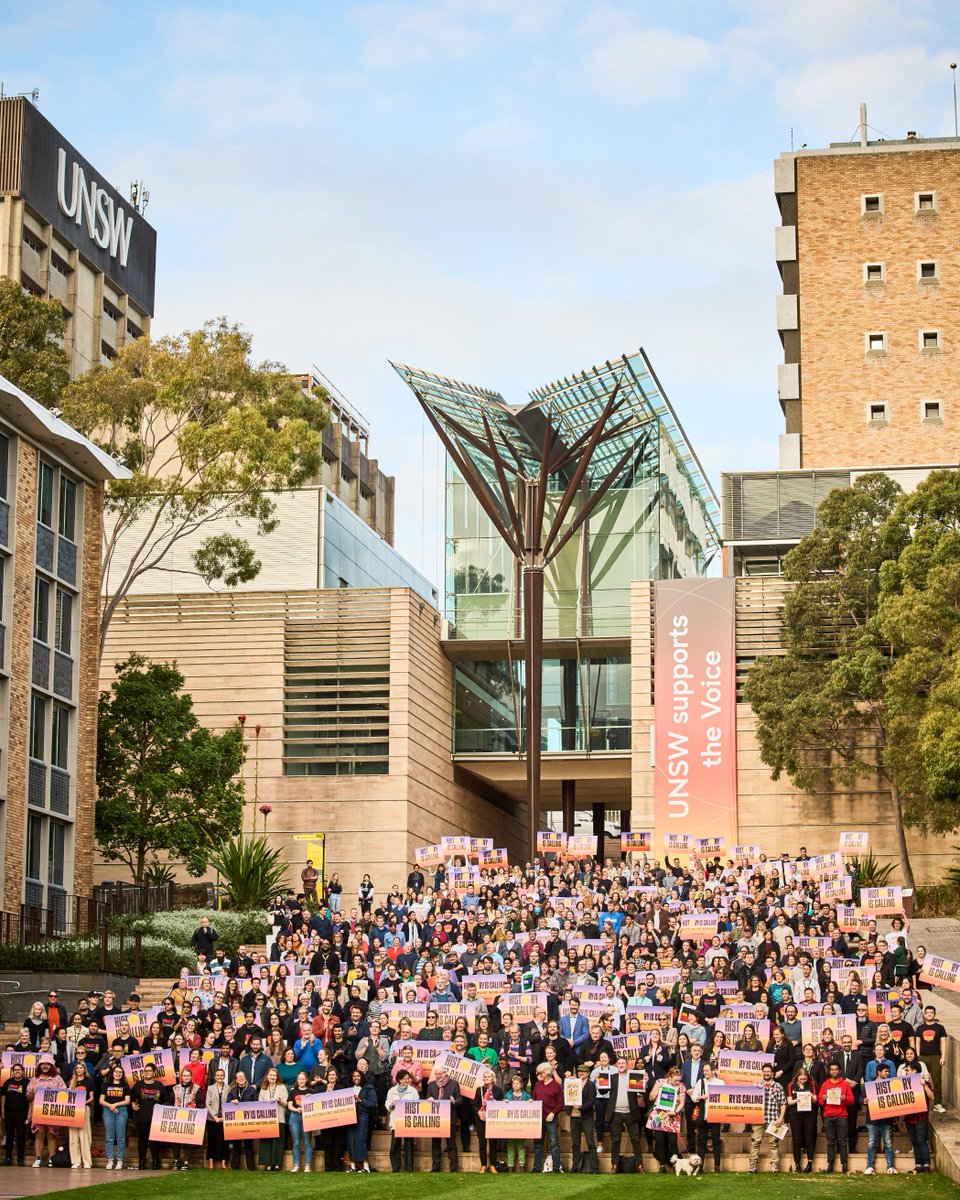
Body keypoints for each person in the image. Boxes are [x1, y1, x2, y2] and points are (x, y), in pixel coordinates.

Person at [27, 1054, 66, 1168]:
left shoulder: (57, 1079)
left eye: (48, 1064)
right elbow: (28, 1096)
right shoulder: (34, 1079)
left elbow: (64, 1093)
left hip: (52, 1111)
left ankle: (51, 1158)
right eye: (43, 1064)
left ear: (51, 1066)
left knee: (51, 1134)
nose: (45, 1066)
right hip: (37, 1111)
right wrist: (34, 1093)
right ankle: (38, 1158)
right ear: (40, 1066)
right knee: (39, 1134)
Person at [607, 1055, 644, 1173]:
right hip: (616, 1112)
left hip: (630, 1113)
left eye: (623, 1063)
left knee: (635, 1139)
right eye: (619, 1063)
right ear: (616, 1065)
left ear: (627, 1064)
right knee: (615, 1140)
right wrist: (599, 1081)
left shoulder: (633, 1077)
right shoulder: (612, 1077)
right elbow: (603, 1090)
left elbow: (642, 1090)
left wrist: (645, 1082)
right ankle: (614, 1165)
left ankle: (639, 1164)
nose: (621, 1065)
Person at [817, 1061, 855, 1173]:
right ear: (828, 1071)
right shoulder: (825, 1085)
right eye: (832, 1069)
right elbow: (819, 1101)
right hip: (828, 1116)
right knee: (830, 1141)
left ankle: (844, 1164)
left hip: (841, 1116)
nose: (834, 1071)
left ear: (839, 1071)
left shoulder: (844, 1084)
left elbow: (851, 1100)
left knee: (842, 1141)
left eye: (836, 1069)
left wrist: (845, 1098)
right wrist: (823, 1098)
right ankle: (830, 1164)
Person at [647, 1065, 686, 1173]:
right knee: (659, 1141)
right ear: (670, 1076)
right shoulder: (660, 1082)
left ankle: (675, 1165)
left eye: (678, 1080)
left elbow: (682, 1103)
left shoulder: (681, 1086)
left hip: (673, 1116)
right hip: (659, 1115)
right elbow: (651, 1097)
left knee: (673, 1141)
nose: (676, 1082)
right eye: (675, 1080)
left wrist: (676, 1112)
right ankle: (662, 1165)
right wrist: (658, 1090)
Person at [130, 1061, 167, 1171]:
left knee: (155, 1141)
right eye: (145, 1071)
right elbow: (132, 1098)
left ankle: (155, 1162)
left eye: (149, 1070)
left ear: (154, 1072)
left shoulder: (159, 1085)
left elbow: (166, 1100)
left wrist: (160, 1108)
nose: (147, 1072)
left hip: (155, 1118)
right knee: (142, 1140)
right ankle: (141, 1162)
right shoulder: (138, 1085)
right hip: (141, 1117)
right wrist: (133, 1105)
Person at [863, 1062, 897, 1175]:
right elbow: (859, 1099)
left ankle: (890, 1166)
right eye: (885, 1071)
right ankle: (869, 1167)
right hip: (872, 1119)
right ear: (879, 1072)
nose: (887, 1073)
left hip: (886, 1119)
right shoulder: (869, 1085)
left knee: (888, 1143)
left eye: (888, 1071)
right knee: (872, 1143)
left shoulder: (891, 1085)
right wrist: (864, 1100)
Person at [427, 1066, 461, 1172]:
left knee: (451, 1143)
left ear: (446, 1073)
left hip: (449, 1117)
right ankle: (435, 1167)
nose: (438, 1076)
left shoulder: (454, 1084)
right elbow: (426, 1097)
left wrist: (454, 1101)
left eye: (440, 1073)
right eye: (436, 1074)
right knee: (435, 1143)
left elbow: (460, 1099)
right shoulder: (431, 1085)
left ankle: (453, 1168)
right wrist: (429, 1099)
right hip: (436, 1119)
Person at [902, 1061, 934, 1172]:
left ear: (914, 1071)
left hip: (921, 1117)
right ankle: (918, 1164)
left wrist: (924, 1085)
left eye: (908, 1070)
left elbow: (931, 1096)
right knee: (915, 1142)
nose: (906, 1072)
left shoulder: (924, 1082)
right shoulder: (904, 1083)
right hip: (909, 1118)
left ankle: (926, 1165)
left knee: (921, 1141)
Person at [531, 1060, 563, 1173]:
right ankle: (536, 1167)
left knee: (554, 1143)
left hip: (551, 1118)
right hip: (538, 1118)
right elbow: (534, 1097)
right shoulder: (538, 1084)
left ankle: (556, 1167)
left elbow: (560, 1103)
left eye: (541, 1073)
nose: (539, 1075)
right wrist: (531, 1101)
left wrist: (553, 1113)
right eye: (539, 1073)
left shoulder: (556, 1086)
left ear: (548, 1072)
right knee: (537, 1143)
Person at [567, 1061, 599, 1173]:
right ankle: (575, 1166)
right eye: (579, 1071)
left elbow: (592, 1101)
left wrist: (581, 1107)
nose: (581, 1073)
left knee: (590, 1142)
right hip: (574, 1116)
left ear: (588, 1073)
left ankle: (595, 1167)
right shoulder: (572, 1083)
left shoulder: (591, 1085)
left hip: (586, 1117)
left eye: (583, 1072)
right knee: (575, 1143)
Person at [785, 1065, 818, 1173]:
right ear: (797, 1077)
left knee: (809, 1138)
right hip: (795, 1115)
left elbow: (815, 1100)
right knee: (797, 1139)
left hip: (809, 1115)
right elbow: (789, 1102)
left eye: (805, 1079)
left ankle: (809, 1163)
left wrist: (810, 1096)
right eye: (801, 1079)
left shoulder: (811, 1084)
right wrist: (798, 1100)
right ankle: (797, 1164)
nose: (803, 1081)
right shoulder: (791, 1085)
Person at [386, 1068, 419, 1173]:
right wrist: (391, 1105)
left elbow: (417, 1104)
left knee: (409, 1143)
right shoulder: (392, 1091)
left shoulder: (413, 1090)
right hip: (396, 1120)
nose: (407, 1080)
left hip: (408, 1120)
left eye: (408, 1078)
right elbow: (387, 1104)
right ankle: (395, 1167)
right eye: (405, 1079)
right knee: (395, 1144)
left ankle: (409, 1168)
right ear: (399, 1080)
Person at [916, 1005, 947, 1113]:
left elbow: (943, 1042)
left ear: (934, 1014)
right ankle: (921, 1103)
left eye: (931, 1012)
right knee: (921, 1080)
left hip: (935, 1056)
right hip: (923, 1056)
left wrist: (943, 1057)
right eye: (927, 1012)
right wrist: (918, 1057)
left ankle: (937, 1103)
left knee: (937, 1081)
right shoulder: (920, 1028)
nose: (929, 1014)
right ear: (924, 1015)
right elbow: (918, 1043)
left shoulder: (940, 1028)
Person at [257, 1065, 287, 1171]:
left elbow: (286, 1104)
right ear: (267, 1076)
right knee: (267, 1142)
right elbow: (259, 1102)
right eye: (271, 1075)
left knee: (278, 1142)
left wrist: (279, 1100)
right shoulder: (263, 1088)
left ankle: (277, 1164)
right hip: (267, 1120)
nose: (273, 1077)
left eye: (274, 1075)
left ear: (277, 1077)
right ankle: (268, 1164)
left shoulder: (282, 1087)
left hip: (279, 1118)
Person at [101, 1063, 131, 1171]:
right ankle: (110, 1160)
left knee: (120, 1137)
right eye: (116, 1072)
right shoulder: (106, 1084)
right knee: (109, 1137)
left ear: (123, 1074)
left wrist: (115, 1105)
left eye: (120, 1072)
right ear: (112, 1073)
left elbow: (127, 1101)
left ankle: (119, 1160)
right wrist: (110, 1106)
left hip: (121, 1111)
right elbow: (101, 1100)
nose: (118, 1074)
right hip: (108, 1111)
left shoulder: (125, 1086)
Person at [169, 1067, 200, 1171]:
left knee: (188, 1140)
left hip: (190, 1118)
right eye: (184, 1076)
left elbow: (200, 1103)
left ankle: (186, 1161)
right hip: (176, 1117)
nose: (186, 1078)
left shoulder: (196, 1088)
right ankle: (176, 1160)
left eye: (188, 1076)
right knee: (175, 1140)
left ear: (191, 1077)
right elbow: (170, 1102)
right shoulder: (175, 1088)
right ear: (181, 1077)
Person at [226, 1070, 257, 1171]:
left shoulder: (251, 1090)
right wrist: (231, 1102)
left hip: (248, 1121)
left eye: (242, 1076)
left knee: (248, 1144)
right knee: (236, 1144)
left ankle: (251, 1166)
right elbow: (227, 1105)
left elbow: (256, 1104)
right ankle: (234, 1166)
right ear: (236, 1079)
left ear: (245, 1077)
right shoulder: (232, 1091)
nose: (241, 1078)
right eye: (239, 1077)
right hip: (236, 1121)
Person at [473, 1067, 503, 1172]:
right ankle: (483, 1165)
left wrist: (496, 1102)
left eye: (488, 1076)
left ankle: (493, 1165)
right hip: (480, 1120)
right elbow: (475, 1105)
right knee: (482, 1143)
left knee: (493, 1143)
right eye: (485, 1077)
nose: (486, 1078)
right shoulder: (479, 1089)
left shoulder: (498, 1090)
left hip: (493, 1120)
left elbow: (501, 1106)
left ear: (493, 1078)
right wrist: (479, 1112)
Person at [286, 1069, 313, 1173]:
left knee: (307, 1142)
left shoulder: (311, 1092)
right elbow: (289, 1106)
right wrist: (296, 1109)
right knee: (296, 1142)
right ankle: (296, 1165)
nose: (301, 1080)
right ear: (297, 1080)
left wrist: (311, 1098)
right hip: (294, 1117)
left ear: (306, 1079)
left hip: (307, 1117)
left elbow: (315, 1105)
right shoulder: (293, 1091)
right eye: (299, 1079)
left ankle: (308, 1165)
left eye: (303, 1079)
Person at [205, 1067, 229, 1170]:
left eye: (221, 1075)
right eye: (218, 1075)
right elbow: (207, 1104)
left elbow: (229, 1103)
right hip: (212, 1119)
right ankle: (211, 1161)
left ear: (224, 1077)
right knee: (211, 1140)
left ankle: (224, 1163)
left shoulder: (228, 1088)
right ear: (215, 1077)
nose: (220, 1077)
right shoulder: (210, 1088)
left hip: (224, 1118)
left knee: (225, 1141)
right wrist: (214, 1116)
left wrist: (224, 1117)